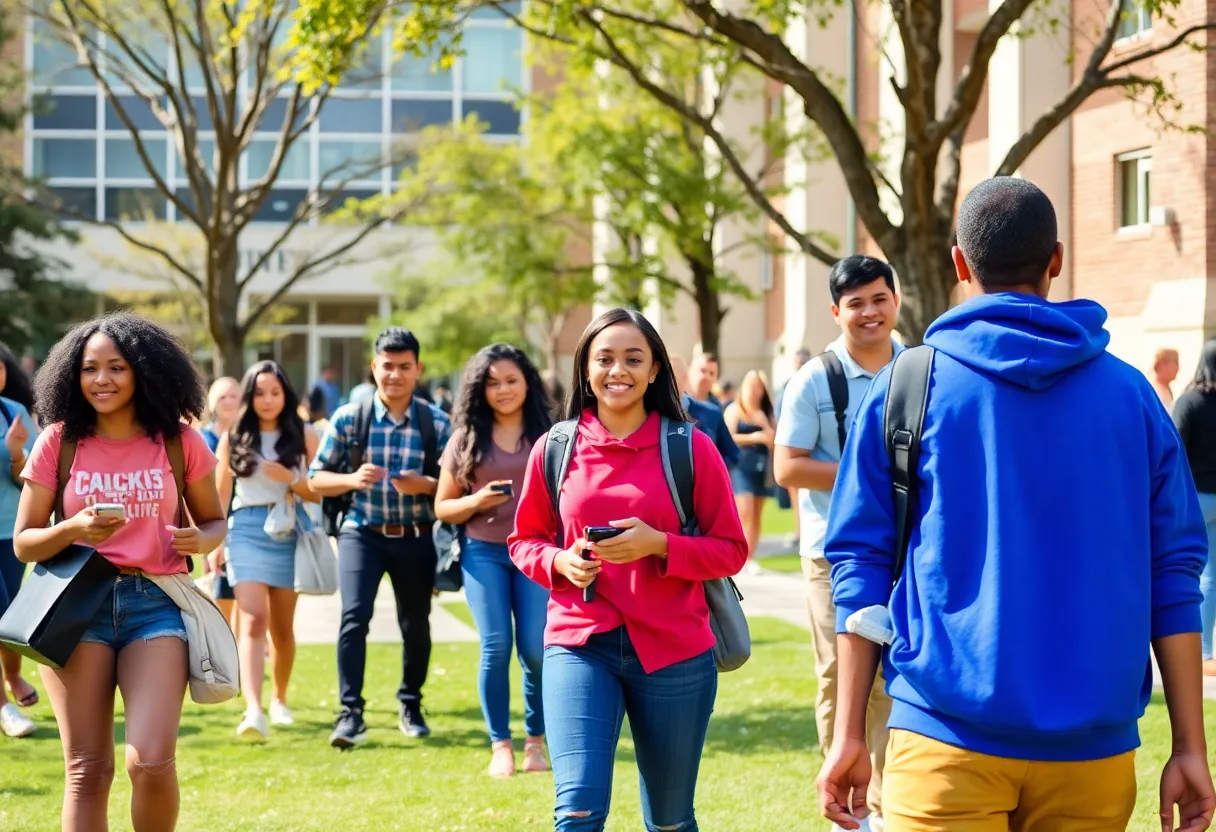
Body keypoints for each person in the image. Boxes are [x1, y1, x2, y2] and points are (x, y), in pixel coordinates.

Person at [817, 178, 1213, 831]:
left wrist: (850, 732)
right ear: (1056, 259)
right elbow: (1175, 575)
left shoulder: (910, 384)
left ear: (960, 264)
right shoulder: (1133, 397)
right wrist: (1190, 746)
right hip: (1093, 754)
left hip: (940, 742)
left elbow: (858, 563)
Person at [509, 307, 748, 832]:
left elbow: (731, 549)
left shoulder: (692, 447)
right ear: (585, 370)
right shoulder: (555, 447)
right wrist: (559, 560)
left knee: (668, 820)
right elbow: (523, 540)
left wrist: (660, 544)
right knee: (576, 811)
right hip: (579, 644)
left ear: (655, 370)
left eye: (633, 359)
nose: (618, 371)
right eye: (605, 359)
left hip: (675, 650)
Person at [13, 312, 226, 831]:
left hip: (154, 605)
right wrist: (73, 530)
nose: (101, 379)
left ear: (145, 373)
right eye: (89, 368)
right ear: (72, 375)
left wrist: (203, 538)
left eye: (116, 367)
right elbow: (24, 542)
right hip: (74, 611)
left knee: (149, 760)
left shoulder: (180, 442)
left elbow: (215, 520)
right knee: (89, 769)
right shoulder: (58, 441)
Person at [773, 255, 900, 825]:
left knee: (896, 678)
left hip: (907, 551)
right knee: (842, 677)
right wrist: (866, 471)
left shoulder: (922, 369)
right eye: (856, 303)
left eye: (878, 299)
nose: (869, 312)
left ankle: (888, 802)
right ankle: (847, 804)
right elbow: (787, 468)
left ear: (895, 301)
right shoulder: (814, 378)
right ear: (836, 311)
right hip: (834, 555)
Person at [309, 327, 451, 749]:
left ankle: (411, 704)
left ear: (417, 370)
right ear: (374, 368)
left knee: (415, 624)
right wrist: (352, 478)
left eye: (404, 367)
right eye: (387, 366)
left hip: (416, 535)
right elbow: (316, 478)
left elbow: (454, 483)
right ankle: (350, 713)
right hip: (362, 532)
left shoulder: (436, 422)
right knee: (354, 618)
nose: (394, 375)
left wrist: (426, 485)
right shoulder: (350, 417)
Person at [434, 344, 553, 777]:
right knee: (496, 644)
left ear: (527, 383)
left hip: (537, 553)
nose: (503, 390)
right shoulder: (466, 437)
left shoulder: (550, 433)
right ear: (478, 389)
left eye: (511, 381)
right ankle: (500, 743)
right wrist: (477, 499)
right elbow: (442, 507)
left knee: (537, 649)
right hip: (483, 551)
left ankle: (535, 742)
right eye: (492, 382)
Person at [215, 361, 320, 740]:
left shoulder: (306, 434)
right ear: (249, 396)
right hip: (244, 529)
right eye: (259, 393)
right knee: (253, 618)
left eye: (275, 392)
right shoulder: (234, 436)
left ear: (286, 395)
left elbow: (319, 490)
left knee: (282, 628)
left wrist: (291, 478)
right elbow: (220, 495)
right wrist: (216, 543)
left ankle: (280, 699)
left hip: (289, 529)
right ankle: (253, 710)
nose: (267, 400)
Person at [0, 342, 39, 739]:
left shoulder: (15, 414)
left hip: (10, 532)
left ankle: (14, 678)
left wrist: (15, 454)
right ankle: (4, 706)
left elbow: (28, 480)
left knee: (9, 616)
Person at [1172, 339, 1216, 678]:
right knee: (1209, 578)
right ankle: (1203, 653)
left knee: (1177, 574)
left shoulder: (1188, 402)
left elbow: (1173, 452)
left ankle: (1174, 651)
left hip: (1192, 496)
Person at [724, 370, 776, 574]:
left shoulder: (766, 413)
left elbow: (774, 438)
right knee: (744, 511)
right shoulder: (734, 410)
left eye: (759, 387)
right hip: (740, 467)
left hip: (761, 468)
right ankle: (738, 555)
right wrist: (754, 437)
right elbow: (728, 438)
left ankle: (750, 558)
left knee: (756, 513)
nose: (755, 391)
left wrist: (763, 424)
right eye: (752, 385)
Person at [200, 377, 241, 627]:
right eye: (222, 397)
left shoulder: (249, 436)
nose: (227, 402)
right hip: (215, 520)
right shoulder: (202, 439)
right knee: (221, 595)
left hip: (245, 520)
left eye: (233, 396)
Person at [668, 355, 739, 468]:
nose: (705, 376)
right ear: (690, 373)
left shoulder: (714, 412)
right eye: (702, 371)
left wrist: (712, 470)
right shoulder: (658, 410)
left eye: (711, 373)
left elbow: (732, 454)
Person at [774, 348, 812, 550]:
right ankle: (800, 532)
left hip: (812, 453)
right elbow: (780, 419)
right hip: (793, 451)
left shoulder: (815, 382)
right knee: (797, 497)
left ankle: (803, 532)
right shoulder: (788, 387)